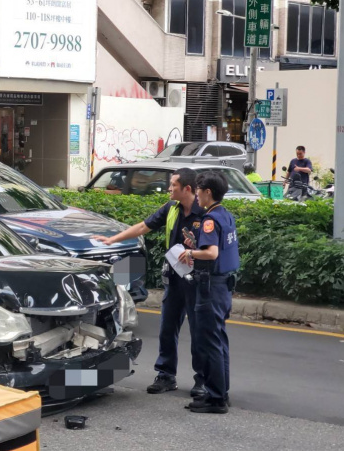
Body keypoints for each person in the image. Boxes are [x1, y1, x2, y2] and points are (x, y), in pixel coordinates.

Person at [92, 168, 207, 398]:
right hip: (174, 279)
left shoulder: (205, 213)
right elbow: (144, 226)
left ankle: (202, 380)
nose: (168, 188)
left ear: (187, 188)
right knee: (167, 328)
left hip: (196, 281)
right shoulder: (171, 208)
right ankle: (165, 375)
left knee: (199, 331)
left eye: (173, 184)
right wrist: (112, 239)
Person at [179, 171, 240, 414]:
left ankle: (215, 399)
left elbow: (212, 253)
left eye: (199, 191)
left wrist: (191, 253)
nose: (196, 196)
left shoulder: (209, 219)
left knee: (210, 342)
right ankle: (221, 393)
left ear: (207, 193)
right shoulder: (226, 215)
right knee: (220, 341)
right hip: (224, 285)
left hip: (211, 286)